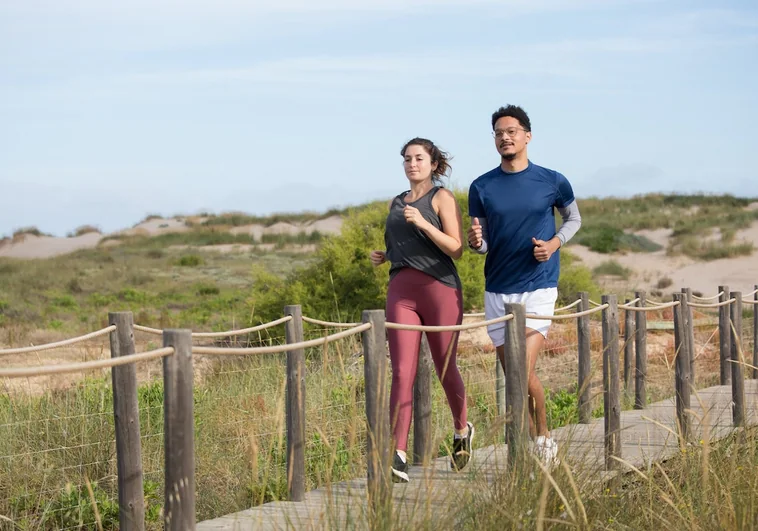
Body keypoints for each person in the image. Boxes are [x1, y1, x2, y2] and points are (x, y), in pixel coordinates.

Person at [467, 105, 582, 465]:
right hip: (498, 289)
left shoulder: (552, 180)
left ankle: (543, 441)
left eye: (512, 131)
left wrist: (554, 244)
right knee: (514, 374)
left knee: (520, 371)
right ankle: (537, 439)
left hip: (538, 286)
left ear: (527, 135)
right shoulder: (481, 186)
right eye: (499, 133)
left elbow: (573, 218)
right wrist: (475, 243)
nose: (505, 137)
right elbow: (483, 242)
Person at [370, 137, 474, 483]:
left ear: (432, 164)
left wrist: (425, 223)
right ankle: (396, 454)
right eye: (407, 159)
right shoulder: (396, 203)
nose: (412, 163)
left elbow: (456, 248)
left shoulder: (441, 198)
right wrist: (384, 255)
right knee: (401, 371)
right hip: (401, 289)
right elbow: (401, 244)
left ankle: (461, 430)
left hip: (440, 288)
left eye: (418, 158)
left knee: (445, 368)